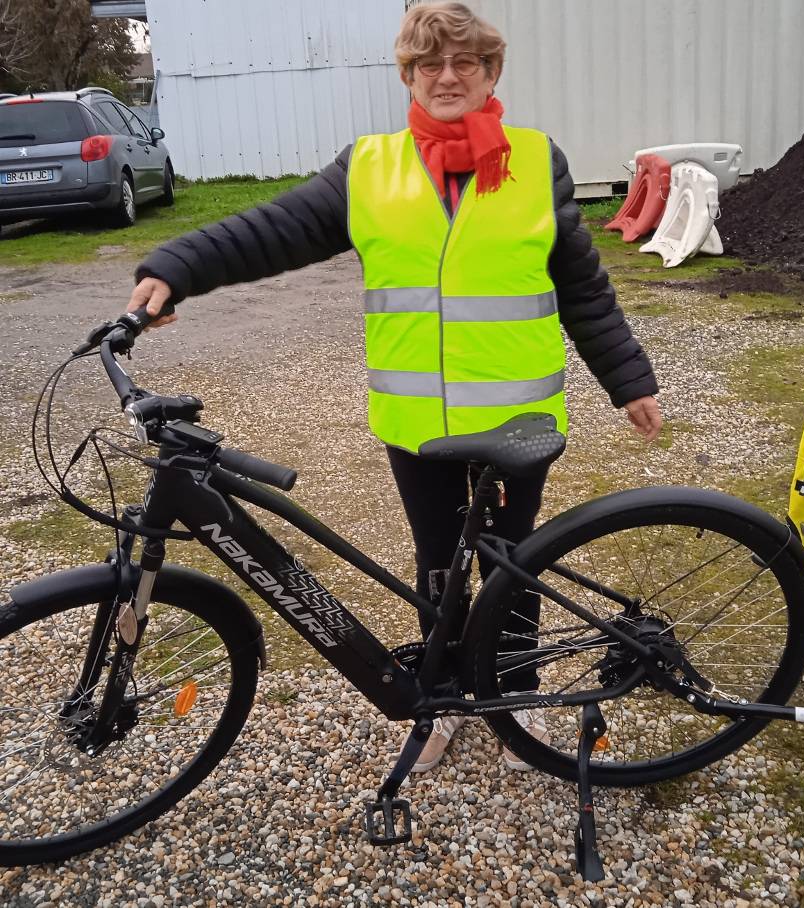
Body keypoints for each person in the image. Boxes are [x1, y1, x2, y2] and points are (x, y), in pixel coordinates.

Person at [127, 2, 662, 773]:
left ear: (490, 73)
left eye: (465, 62)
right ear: (408, 74)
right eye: (429, 64)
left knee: (512, 567)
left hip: (518, 421)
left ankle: (515, 704)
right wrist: (175, 266)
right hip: (416, 423)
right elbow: (271, 231)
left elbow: (582, 287)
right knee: (438, 565)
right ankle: (444, 699)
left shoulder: (537, 161)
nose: (448, 77)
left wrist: (628, 381)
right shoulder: (369, 167)